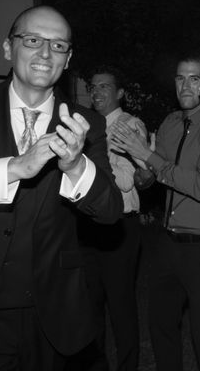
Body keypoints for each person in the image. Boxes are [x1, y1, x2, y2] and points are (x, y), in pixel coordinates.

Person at [0, 5, 122, 369]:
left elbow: (110, 212)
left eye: (58, 46)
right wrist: (15, 168)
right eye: (33, 40)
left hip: (53, 312)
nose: (44, 53)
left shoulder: (86, 124)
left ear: (68, 58)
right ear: (8, 49)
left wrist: (74, 165)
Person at [110, 52, 200, 371]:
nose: (186, 85)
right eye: (180, 78)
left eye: (194, 78)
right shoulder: (169, 123)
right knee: (160, 327)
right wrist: (141, 172)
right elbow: (154, 174)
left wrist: (146, 155)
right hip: (167, 244)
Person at [69, 66, 151, 371]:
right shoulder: (87, 124)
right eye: (93, 87)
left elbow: (129, 180)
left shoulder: (128, 126)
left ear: (119, 93)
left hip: (120, 226)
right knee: (90, 303)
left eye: (105, 87)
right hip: (88, 224)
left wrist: (85, 165)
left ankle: (127, 365)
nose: (96, 92)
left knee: (120, 304)